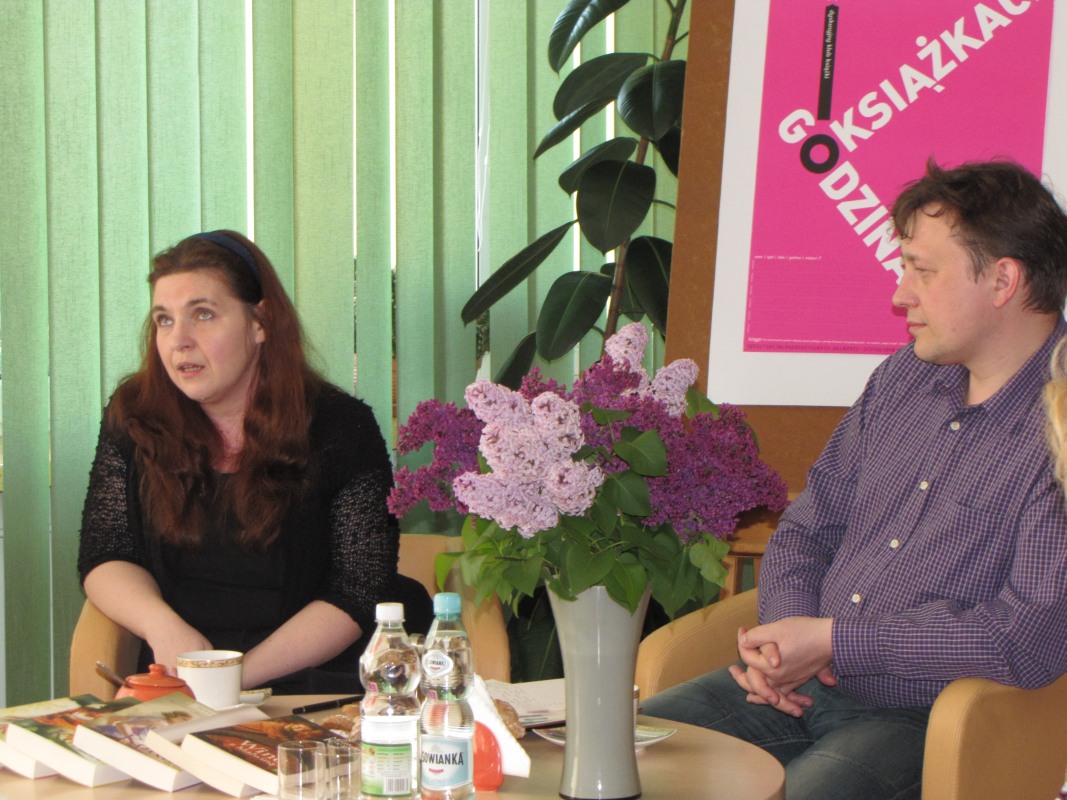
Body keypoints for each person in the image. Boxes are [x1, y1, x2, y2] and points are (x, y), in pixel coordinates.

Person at [642, 159, 1067, 800]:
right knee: (620, 760)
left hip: (933, 717)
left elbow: (1024, 638)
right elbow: (807, 529)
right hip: (800, 686)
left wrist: (838, 642)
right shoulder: (903, 379)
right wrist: (786, 644)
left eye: (923, 270)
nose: (901, 295)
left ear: (1004, 280)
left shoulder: (1058, 428)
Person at [77, 230, 432, 694]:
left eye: (203, 314)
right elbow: (106, 553)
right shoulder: (135, 416)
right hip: (183, 676)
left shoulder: (341, 426)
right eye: (164, 320)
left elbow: (358, 589)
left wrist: (230, 679)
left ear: (259, 322)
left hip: (317, 678)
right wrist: (162, 627)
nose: (179, 341)